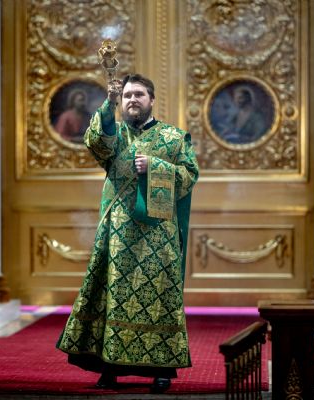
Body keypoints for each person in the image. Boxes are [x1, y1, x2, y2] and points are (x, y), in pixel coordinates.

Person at [56, 74, 199, 394]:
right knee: (113, 297)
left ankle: (161, 369)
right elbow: (96, 141)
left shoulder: (174, 138)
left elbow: (190, 175)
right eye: (127, 96)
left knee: (160, 298)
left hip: (158, 234)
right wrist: (108, 103)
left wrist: (156, 166)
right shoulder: (115, 135)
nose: (132, 100)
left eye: (139, 94)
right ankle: (110, 367)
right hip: (118, 232)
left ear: (151, 100)